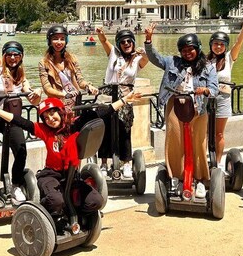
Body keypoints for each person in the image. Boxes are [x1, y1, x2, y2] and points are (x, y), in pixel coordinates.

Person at [0, 92, 139, 218]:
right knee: (57, 201)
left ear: (61, 112)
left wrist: (125, 99)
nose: (50, 119)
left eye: (53, 113)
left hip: (71, 176)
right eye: (46, 117)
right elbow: (19, 121)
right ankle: (48, 215)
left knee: (96, 201)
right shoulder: (45, 131)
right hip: (50, 176)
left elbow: (104, 111)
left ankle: (75, 215)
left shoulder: (74, 126)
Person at [144, 23, 218, 198]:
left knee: (199, 143)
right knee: (175, 141)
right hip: (175, 104)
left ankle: (200, 179)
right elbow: (156, 59)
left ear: (198, 49)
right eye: (183, 50)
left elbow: (214, 88)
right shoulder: (173, 62)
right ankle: (176, 176)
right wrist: (148, 40)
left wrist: (205, 90)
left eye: (190, 49)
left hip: (198, 106)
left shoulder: (208, 67)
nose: (187, 52)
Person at [0, 20, 40, 206]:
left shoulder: (21, 76)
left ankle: (16, 185)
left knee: (21, 150)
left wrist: (36, 94)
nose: (13, 58)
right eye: (9, 55)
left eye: (16, 55)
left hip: (11, 118)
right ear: (5, 56)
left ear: (21, 57)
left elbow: (32, 98)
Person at [206, 15, 243, 171]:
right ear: (211, 45)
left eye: (221, 44)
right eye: (216, 44)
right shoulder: (205, 60)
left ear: (225, 46)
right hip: (207, 98)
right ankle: (205, 160)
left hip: (223, 98)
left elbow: (239, 43)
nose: (218, 47)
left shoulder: (229, 58)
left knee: (219, 134)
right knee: (205, 133)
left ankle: (219, 162)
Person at [95, 27, 148, 178]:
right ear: (119, 43)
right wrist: (101, 34)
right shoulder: (113, 53)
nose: (126, 43)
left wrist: (144, 51)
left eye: (129, 41)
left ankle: (126, 163)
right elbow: (104, 41)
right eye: (123, 41)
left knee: (125, 130)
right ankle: (104, 163)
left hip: (126, 96)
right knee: (105, 129)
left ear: (132, 42)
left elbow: (146, 60)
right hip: (108, 94)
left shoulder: (137, 59)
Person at [39, 25, 99, 112]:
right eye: (55, 38)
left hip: (75, 105)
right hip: (57, 107)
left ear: (66, 41)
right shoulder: (44, 63)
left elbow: (80, 80)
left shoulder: (72, 59)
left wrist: (88, 86)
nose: (59, 42)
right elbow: (47, 88)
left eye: (62, 39)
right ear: (50, 41)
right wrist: (63, 94)